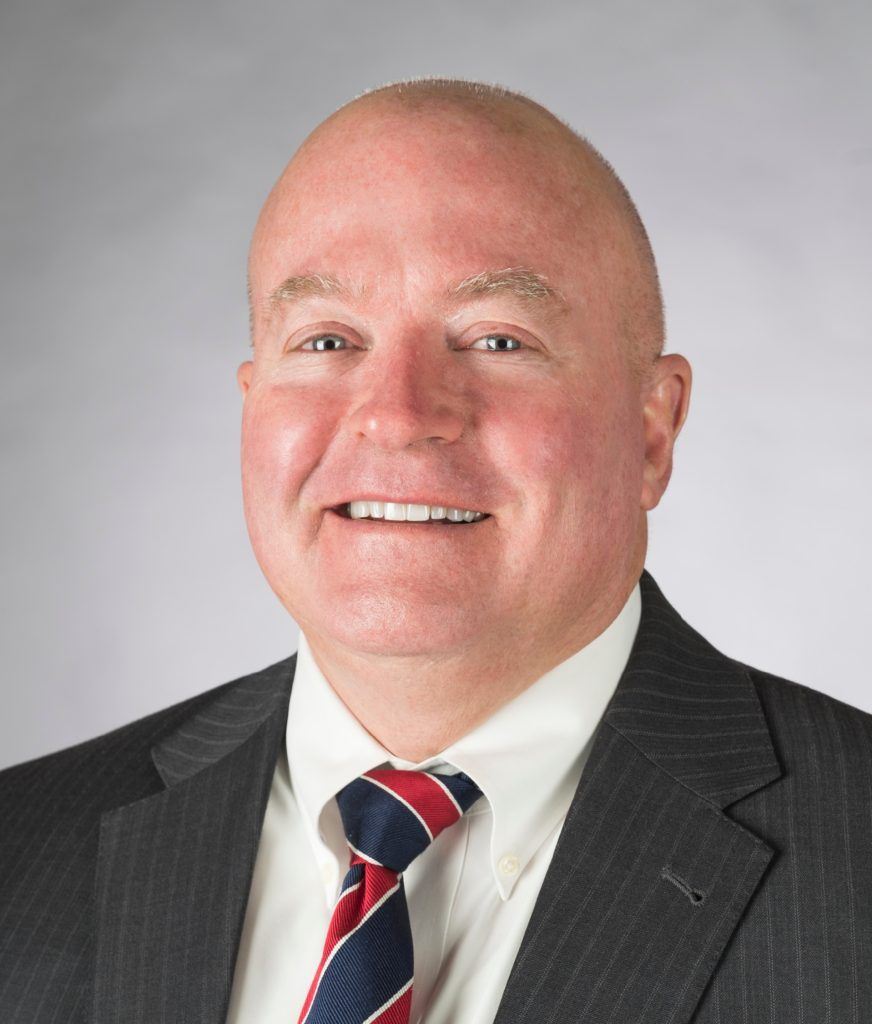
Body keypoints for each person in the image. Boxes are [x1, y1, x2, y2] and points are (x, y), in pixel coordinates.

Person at [1, 79, 869, 1024]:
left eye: (497, 339)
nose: (399, 414)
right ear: (252, 408)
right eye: (327, 340)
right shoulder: (22, 848)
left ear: (653, 430)